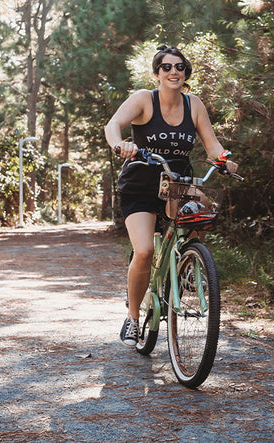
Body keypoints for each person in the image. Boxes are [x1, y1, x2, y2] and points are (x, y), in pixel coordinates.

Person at [104, 45, 238, 347]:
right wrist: (119, 144)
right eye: (167, 67)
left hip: (176, 184)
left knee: (202, 206)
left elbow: (212, 144)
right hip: (140, 186)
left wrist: (223, 158)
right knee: (144, 252)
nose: (173, 71)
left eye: (179, 67)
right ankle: (134, 318)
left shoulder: (194, 105)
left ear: (185, 73)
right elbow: (113, 125)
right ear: (157, 73)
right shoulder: (143, 100)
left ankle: (187, 264)